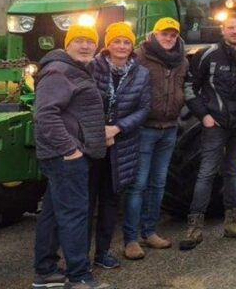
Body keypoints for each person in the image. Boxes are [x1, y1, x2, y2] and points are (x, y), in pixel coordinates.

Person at [33, 24, 114, 289]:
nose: (85, 46)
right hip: (65, 156)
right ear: (67, 44)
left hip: (66, 153)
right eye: (78, 40)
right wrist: (71, 149)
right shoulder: (59, 71)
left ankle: (45, 271)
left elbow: (75, 112)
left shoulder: (77, 69)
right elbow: (45, 114)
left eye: (90, 41)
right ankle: (79, 276)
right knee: (75, 214)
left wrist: (97, 132)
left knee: (54, 212)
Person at [181, 12, 236, 250]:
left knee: (232, 173)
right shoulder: (208, 55)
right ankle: (195, 227)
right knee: (206, 173)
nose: (235, 31)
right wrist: (203, 116)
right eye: (231, 27)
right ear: (223, 30)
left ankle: (233, 222)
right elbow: (190, 87)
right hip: (214, 124)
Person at [122, 17, 189, 260]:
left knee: (158, 183)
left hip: (169, 128)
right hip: (144, 128)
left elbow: (184, 86)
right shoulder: (140, 56)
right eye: (164, 34)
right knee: (138, 184)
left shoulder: (182, 60)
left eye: (172, 35)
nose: (168, 39)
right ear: (155, 34)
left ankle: (149, 231)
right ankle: (131, 239)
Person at [86, 22, 150, 269]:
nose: (121, 46)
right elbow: (86, 102)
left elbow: (144, 108)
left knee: (110, 202)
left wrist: (117, 128)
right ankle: (80, 257)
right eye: (117, 41)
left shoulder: (140, 73)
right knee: (87, 201)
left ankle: (102, 253)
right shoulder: (93, 67)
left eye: (126, 42)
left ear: (132, 46)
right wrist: (101, 129)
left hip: (122, 145)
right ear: (107, 44)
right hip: (93, 142)